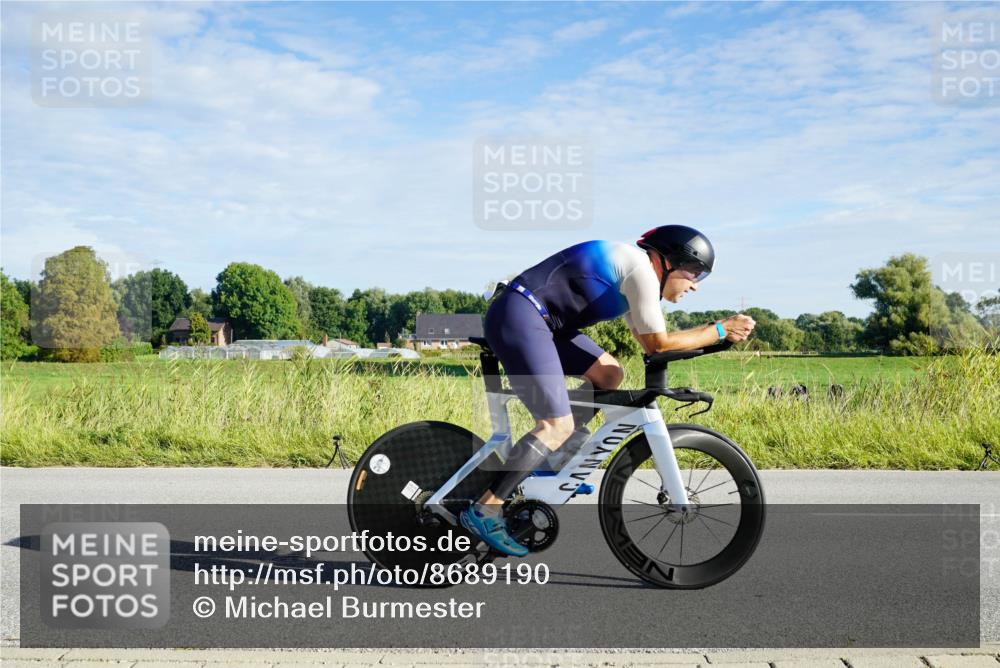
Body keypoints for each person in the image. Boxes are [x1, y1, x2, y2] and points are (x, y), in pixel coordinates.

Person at [459, 225, 757, 557]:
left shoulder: (634, 277)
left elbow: (650, 346)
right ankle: (486, 509)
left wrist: (717, 338)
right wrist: (718, 329)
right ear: (668, 261)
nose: (694, 285)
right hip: (521, 316)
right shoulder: (640, 270)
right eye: (694, 272)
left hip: (542, 321)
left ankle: (555, 457)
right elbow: (660, 343)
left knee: (609, 373)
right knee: (555, 424)